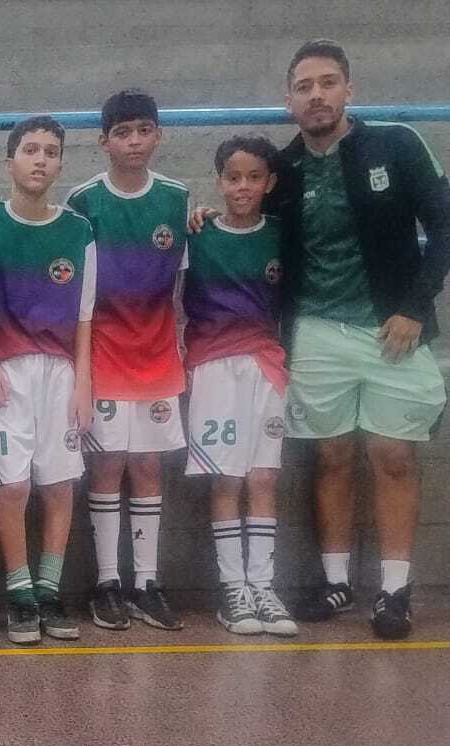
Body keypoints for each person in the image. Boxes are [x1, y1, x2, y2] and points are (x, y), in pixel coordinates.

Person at [264, 40, 450, 638]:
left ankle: (394, 590)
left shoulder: (397, 144)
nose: (316, 95)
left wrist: (414, 307)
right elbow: (248, 219)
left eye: (328, 82)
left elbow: (444, 224)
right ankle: (336, 581)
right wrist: (206, 218)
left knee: (393, 456)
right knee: (331, 456)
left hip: (393, 329)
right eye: (304, 87)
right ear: (289, 101)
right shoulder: (282, 169)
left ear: (350, 89)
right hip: (316, 332)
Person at [0, 116, 96, 645]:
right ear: (9, 162)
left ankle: (49, 590)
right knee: (14, 485)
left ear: (60, 164)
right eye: (31, 150)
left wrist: (84, 383)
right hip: (4, 371)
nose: (40, 159)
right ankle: (18, 593)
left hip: (61, 372)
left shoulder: (79, 231)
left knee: (60, 485)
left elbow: (84, 318)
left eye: (51, 151)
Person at [65, 90, 189, 632]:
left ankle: (147, 583)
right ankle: (107, 583)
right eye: (122, 132)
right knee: (108, 464)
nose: (134, 141)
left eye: (143, 130)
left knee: (148, 465)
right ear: (104, 141)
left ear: (159, 135)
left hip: (157, 354)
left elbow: (182, 284)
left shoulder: (179, 199)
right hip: (104, 352)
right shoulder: (83, 200)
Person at [182, 135, 297, 637]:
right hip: (212, 365)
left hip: (266, 365)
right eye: (233, 177)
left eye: (253, 177)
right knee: (226, 478)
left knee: (263, 477)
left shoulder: (282, 234)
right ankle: (234, 591)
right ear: (219, 181)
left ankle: (263, 585)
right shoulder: (197, 233)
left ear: (270, 182)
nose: (243, 187)